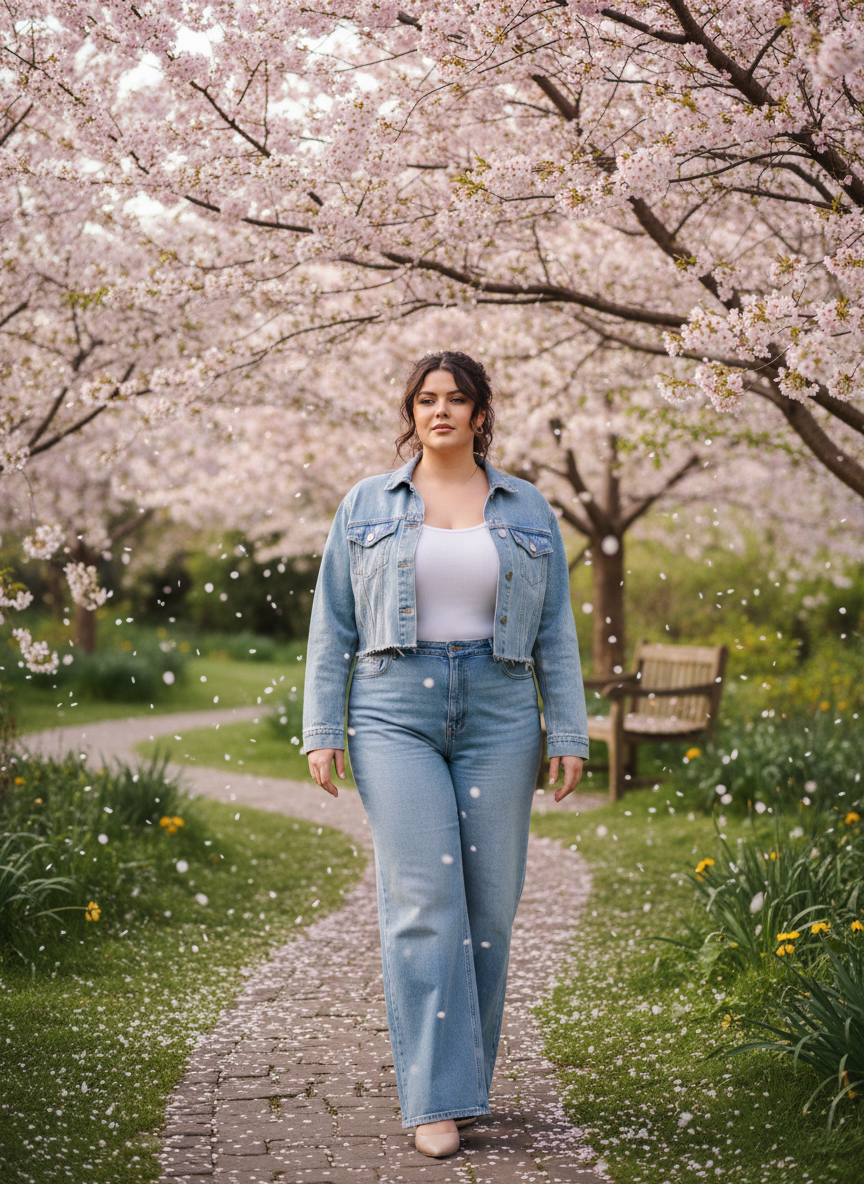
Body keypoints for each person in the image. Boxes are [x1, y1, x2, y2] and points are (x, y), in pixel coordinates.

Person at [303, 351, 588, 1158]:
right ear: (411, 411)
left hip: (501, 710)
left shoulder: (527, 507)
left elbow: (557, 631)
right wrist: (323, 727)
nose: (440, 412)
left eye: (456, 400)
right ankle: (432, 1098)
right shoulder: (366, 504)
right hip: (394, 709)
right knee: (426, 900)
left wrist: (566, 731)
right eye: (426, 399)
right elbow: (334, 624)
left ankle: (464, 1087)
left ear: (479, 413)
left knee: (489, 911)